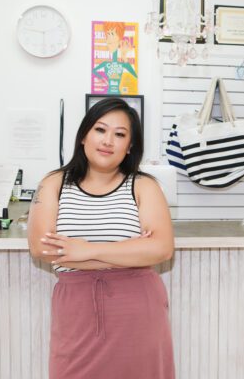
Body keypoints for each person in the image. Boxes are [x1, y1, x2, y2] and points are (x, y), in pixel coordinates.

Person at [27, 98, 175, 378]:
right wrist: (131, 252)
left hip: (138, 308)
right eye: (100, 130)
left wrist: (84, 251)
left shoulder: (144, 185)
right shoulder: (54, 182)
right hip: (77, 308)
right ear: (84, 135)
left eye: (120, 134)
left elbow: (161, 249)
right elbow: (41, 248)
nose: (108, 140)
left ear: (129, 146)